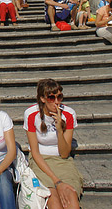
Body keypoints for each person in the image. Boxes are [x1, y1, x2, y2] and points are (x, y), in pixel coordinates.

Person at [24, 78, 83, 208]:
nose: (56, 102)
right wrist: (57, 181)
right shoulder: (31, 114)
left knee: (71, 199)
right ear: (43, 99)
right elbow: (35, 152)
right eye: (51, 98)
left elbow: (64, 153)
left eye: (59, 97)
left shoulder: (68, 114)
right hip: (41, 161)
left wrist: (60, 130)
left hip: (62, 162)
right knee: (54, 201)